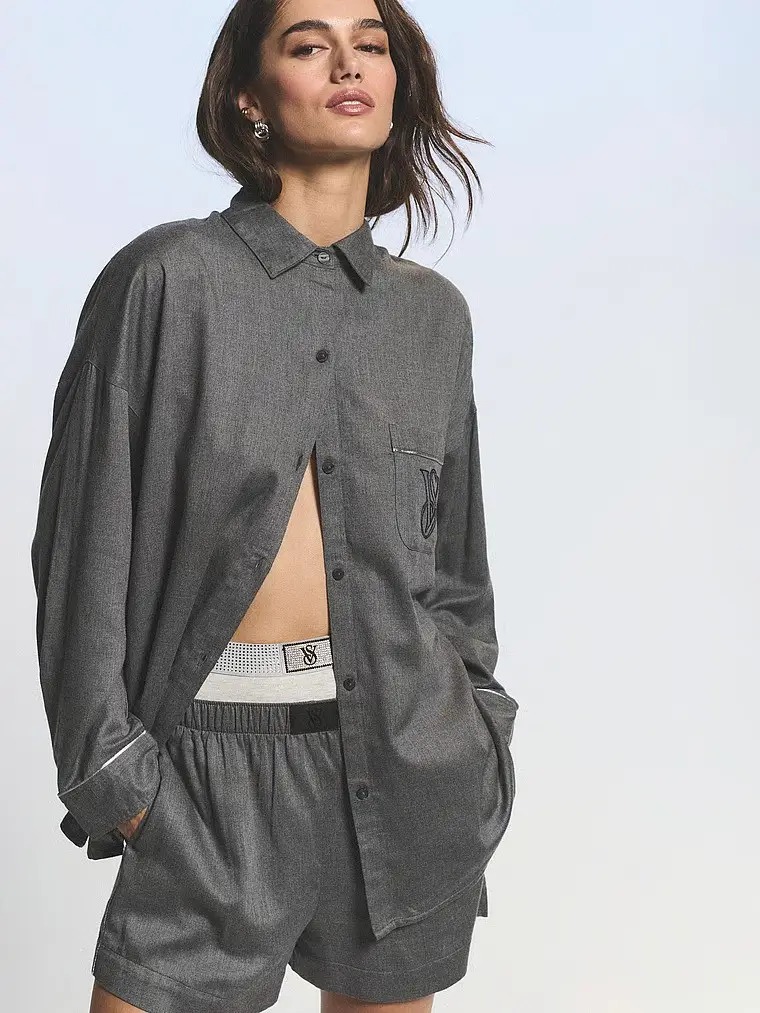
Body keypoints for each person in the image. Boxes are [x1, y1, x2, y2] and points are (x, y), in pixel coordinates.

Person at [30, 1, 519, 1011]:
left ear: (398, 86)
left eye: (370, 45)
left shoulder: (432, 317)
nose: (347, 64)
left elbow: (456, 566)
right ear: (250, 96)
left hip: (405, 762)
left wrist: (479, 726)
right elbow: (82, 544)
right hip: (206, 774)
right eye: (308, 44)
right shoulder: (167, 280)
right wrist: (114, 772)